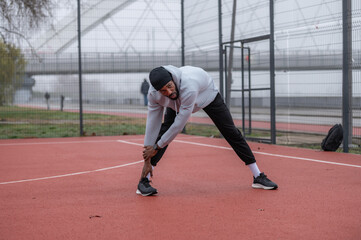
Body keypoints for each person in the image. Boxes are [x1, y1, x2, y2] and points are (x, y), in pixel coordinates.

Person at [137, 65, 278, 196]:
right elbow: (152, 123)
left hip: (207, 95)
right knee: (163, 133)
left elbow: (179, 124)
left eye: (169, 86)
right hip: (177, 104)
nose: (168, 92)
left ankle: (258, 176)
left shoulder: (189, 85)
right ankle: (144, 181)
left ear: (173, 79)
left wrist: (156, 146)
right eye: (163, 91)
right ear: (157, 91)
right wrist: (147, 157)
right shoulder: (153, 94)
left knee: (231, 132)